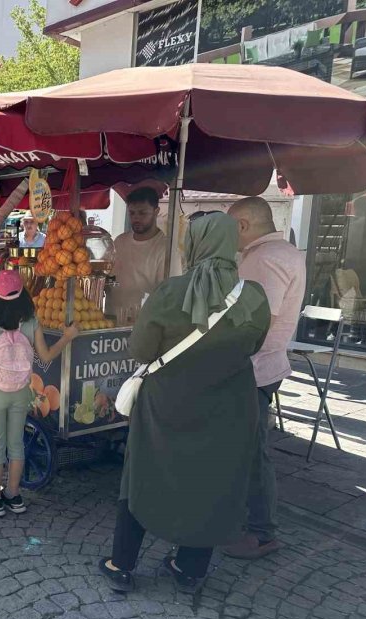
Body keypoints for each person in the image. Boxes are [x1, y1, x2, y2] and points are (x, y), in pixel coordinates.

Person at [98, 212, 270, 593]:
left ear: (194, 244)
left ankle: (121, 563)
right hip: (230, 408)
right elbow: (255, 345)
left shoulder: (169, 292)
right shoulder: (254, 297)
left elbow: (141, 349)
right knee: (211, 483)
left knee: (143, 475)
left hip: (167, 405)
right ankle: (190, 569)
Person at [223, 197, 306, 560]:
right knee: (245, 450)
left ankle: (261, 531)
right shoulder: (284, 251)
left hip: (252, 368)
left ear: (242, 226)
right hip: (264, 365)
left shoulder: (265, 258)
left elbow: (259, 320)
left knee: (253, 453)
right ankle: (247, 521)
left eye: (230, 229)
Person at [0, 271, 78, 516]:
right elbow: (46, 356)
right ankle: (14, 496)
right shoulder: (31, 320)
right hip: (21, 391)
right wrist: (67, 337)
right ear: (22, 294)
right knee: (16, 443)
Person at [109, 187, 182, 318]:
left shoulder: (167, 250)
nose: (136, 218)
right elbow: (110, 276)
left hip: (144, 324)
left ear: (156, 212)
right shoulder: (120, 241)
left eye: (142, 213)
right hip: (110, 319)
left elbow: (171, 296)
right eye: (132, 213)